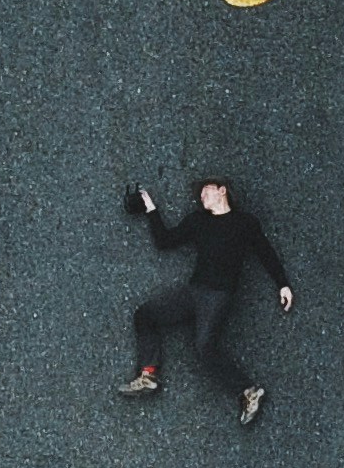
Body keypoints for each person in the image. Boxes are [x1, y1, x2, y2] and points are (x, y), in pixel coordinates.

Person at [119, 177, 294, 426]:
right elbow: (165, 241)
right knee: (144, 315)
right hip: (194, 291)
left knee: (205, 347)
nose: (202, 197)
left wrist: (282, 284)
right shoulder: (198, 221)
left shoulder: (244, 223)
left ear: (222, 191)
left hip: (219, 295)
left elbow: (265, 252)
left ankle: (249, 390)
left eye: (206, 192)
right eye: (200, 196)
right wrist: (150, 207)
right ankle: (148, 375)